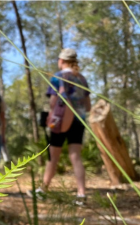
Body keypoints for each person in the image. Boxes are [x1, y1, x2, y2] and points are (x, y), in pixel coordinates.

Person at [28, 48, 91, 205]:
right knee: (75, 156)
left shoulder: (58, 77)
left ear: (61, 61)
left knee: (53, 156)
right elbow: (88, 106)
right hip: (79, 120)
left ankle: (43, 190)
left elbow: (53, 102)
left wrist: (50, 114)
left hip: (60, 121)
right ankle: (81, 194)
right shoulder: (82, 79)